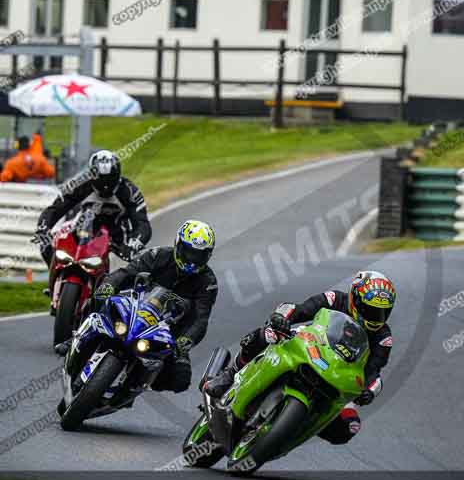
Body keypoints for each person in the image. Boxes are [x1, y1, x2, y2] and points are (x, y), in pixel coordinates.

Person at [206, 270, 396, 445]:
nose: (376, 317)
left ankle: (293, 427)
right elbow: (300, 309)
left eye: (382, 312)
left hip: (339, 374)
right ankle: (230, 374)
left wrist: (369, 391)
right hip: (311, 344)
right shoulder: (335, 299)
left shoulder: (383, 338)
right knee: (268, 334)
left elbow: (374, 371)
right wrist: (282, 319)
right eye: (370, 309)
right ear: (355, 299)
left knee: (349, 426)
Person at [92, 220, 218, 394]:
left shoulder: (208, 282)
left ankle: (136, 384)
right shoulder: (157, 255)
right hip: (134, 310)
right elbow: (125, 273)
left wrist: (186, 340)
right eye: (188, 252)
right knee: (101, 295)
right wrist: (110, 285)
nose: (191, 259)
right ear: (178, 245)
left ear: (207, 256)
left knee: (180, 379)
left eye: (198, 255)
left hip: (168, 332)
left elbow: (201, 318)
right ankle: (75, 337)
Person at [34, 149, 152, 282]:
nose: (105, 186)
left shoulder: (130, 191)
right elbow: (55, 209)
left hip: (117, 233)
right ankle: (56, 278)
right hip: (84, 227)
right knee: (45, 244)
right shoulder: (80, 185)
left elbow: (143, 224)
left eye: (110, 179)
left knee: (144, 262)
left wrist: (134, 244)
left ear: (117, 175)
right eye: (101, 180)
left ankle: (119, 290)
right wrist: (43, 227)